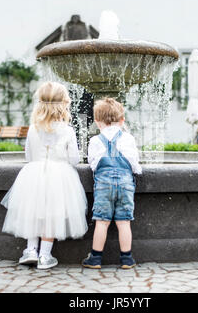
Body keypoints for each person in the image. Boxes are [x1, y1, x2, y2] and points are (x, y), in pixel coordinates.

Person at [1, 81, 88, 269]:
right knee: (52, 215)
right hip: (60, 177)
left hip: (33, 174)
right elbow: (73, 160)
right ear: (64, 104)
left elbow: (28, 155)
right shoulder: (68, 130)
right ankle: (45, 256)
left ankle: (30, 250)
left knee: (34, 212)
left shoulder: (33, 128)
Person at [82, 98, 142, 269]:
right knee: (124, 222)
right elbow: (134, 164)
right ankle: (127, 258)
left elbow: (93, 164)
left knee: (102, 221)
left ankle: (95, 258)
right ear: (122, 120)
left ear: (97, 122)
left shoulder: (95, 141)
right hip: (125, 184)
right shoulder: (128, 138)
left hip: (103, 185)